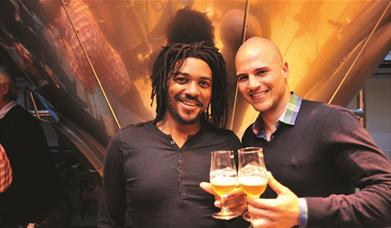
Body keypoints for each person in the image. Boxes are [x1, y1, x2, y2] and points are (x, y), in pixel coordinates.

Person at [234, 37, 391, 227]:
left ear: (285, 69)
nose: (252, 84)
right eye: (243, 77)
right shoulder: (250, 137)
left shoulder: (330, 120)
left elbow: (386, 194)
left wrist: (302, 211)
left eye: (261, 72)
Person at [98, 42, 247, 228]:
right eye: (182, 80)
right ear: (163, 83)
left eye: (203, 83)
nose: (193, 91)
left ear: (212, 92)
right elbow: (108, 221)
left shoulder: (227, 143)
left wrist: (242, 208)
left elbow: (240, 220)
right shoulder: (125, 142)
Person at [0, 66, 70, 227]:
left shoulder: (17, 123)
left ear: (3, 88)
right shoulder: (12, 120)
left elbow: (30, 176)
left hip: (41, 214)